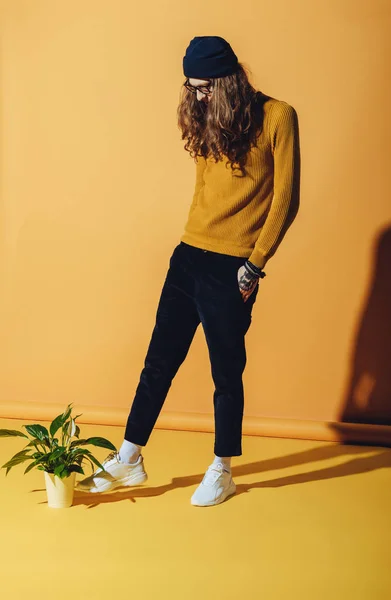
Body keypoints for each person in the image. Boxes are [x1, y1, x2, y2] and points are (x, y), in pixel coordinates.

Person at [76, 35, 300, 506]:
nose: (199, 97)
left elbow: (285, 199)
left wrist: (254, 267)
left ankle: (222, 470)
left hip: (234, 264)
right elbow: (203, 191)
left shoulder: (278, 116)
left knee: (225, 372)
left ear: (229, 81)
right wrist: (187, 247)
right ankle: (130, 457)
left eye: (206, 88)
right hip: (189, 254)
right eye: (193, 88)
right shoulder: (204, 117)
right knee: (158, 361)